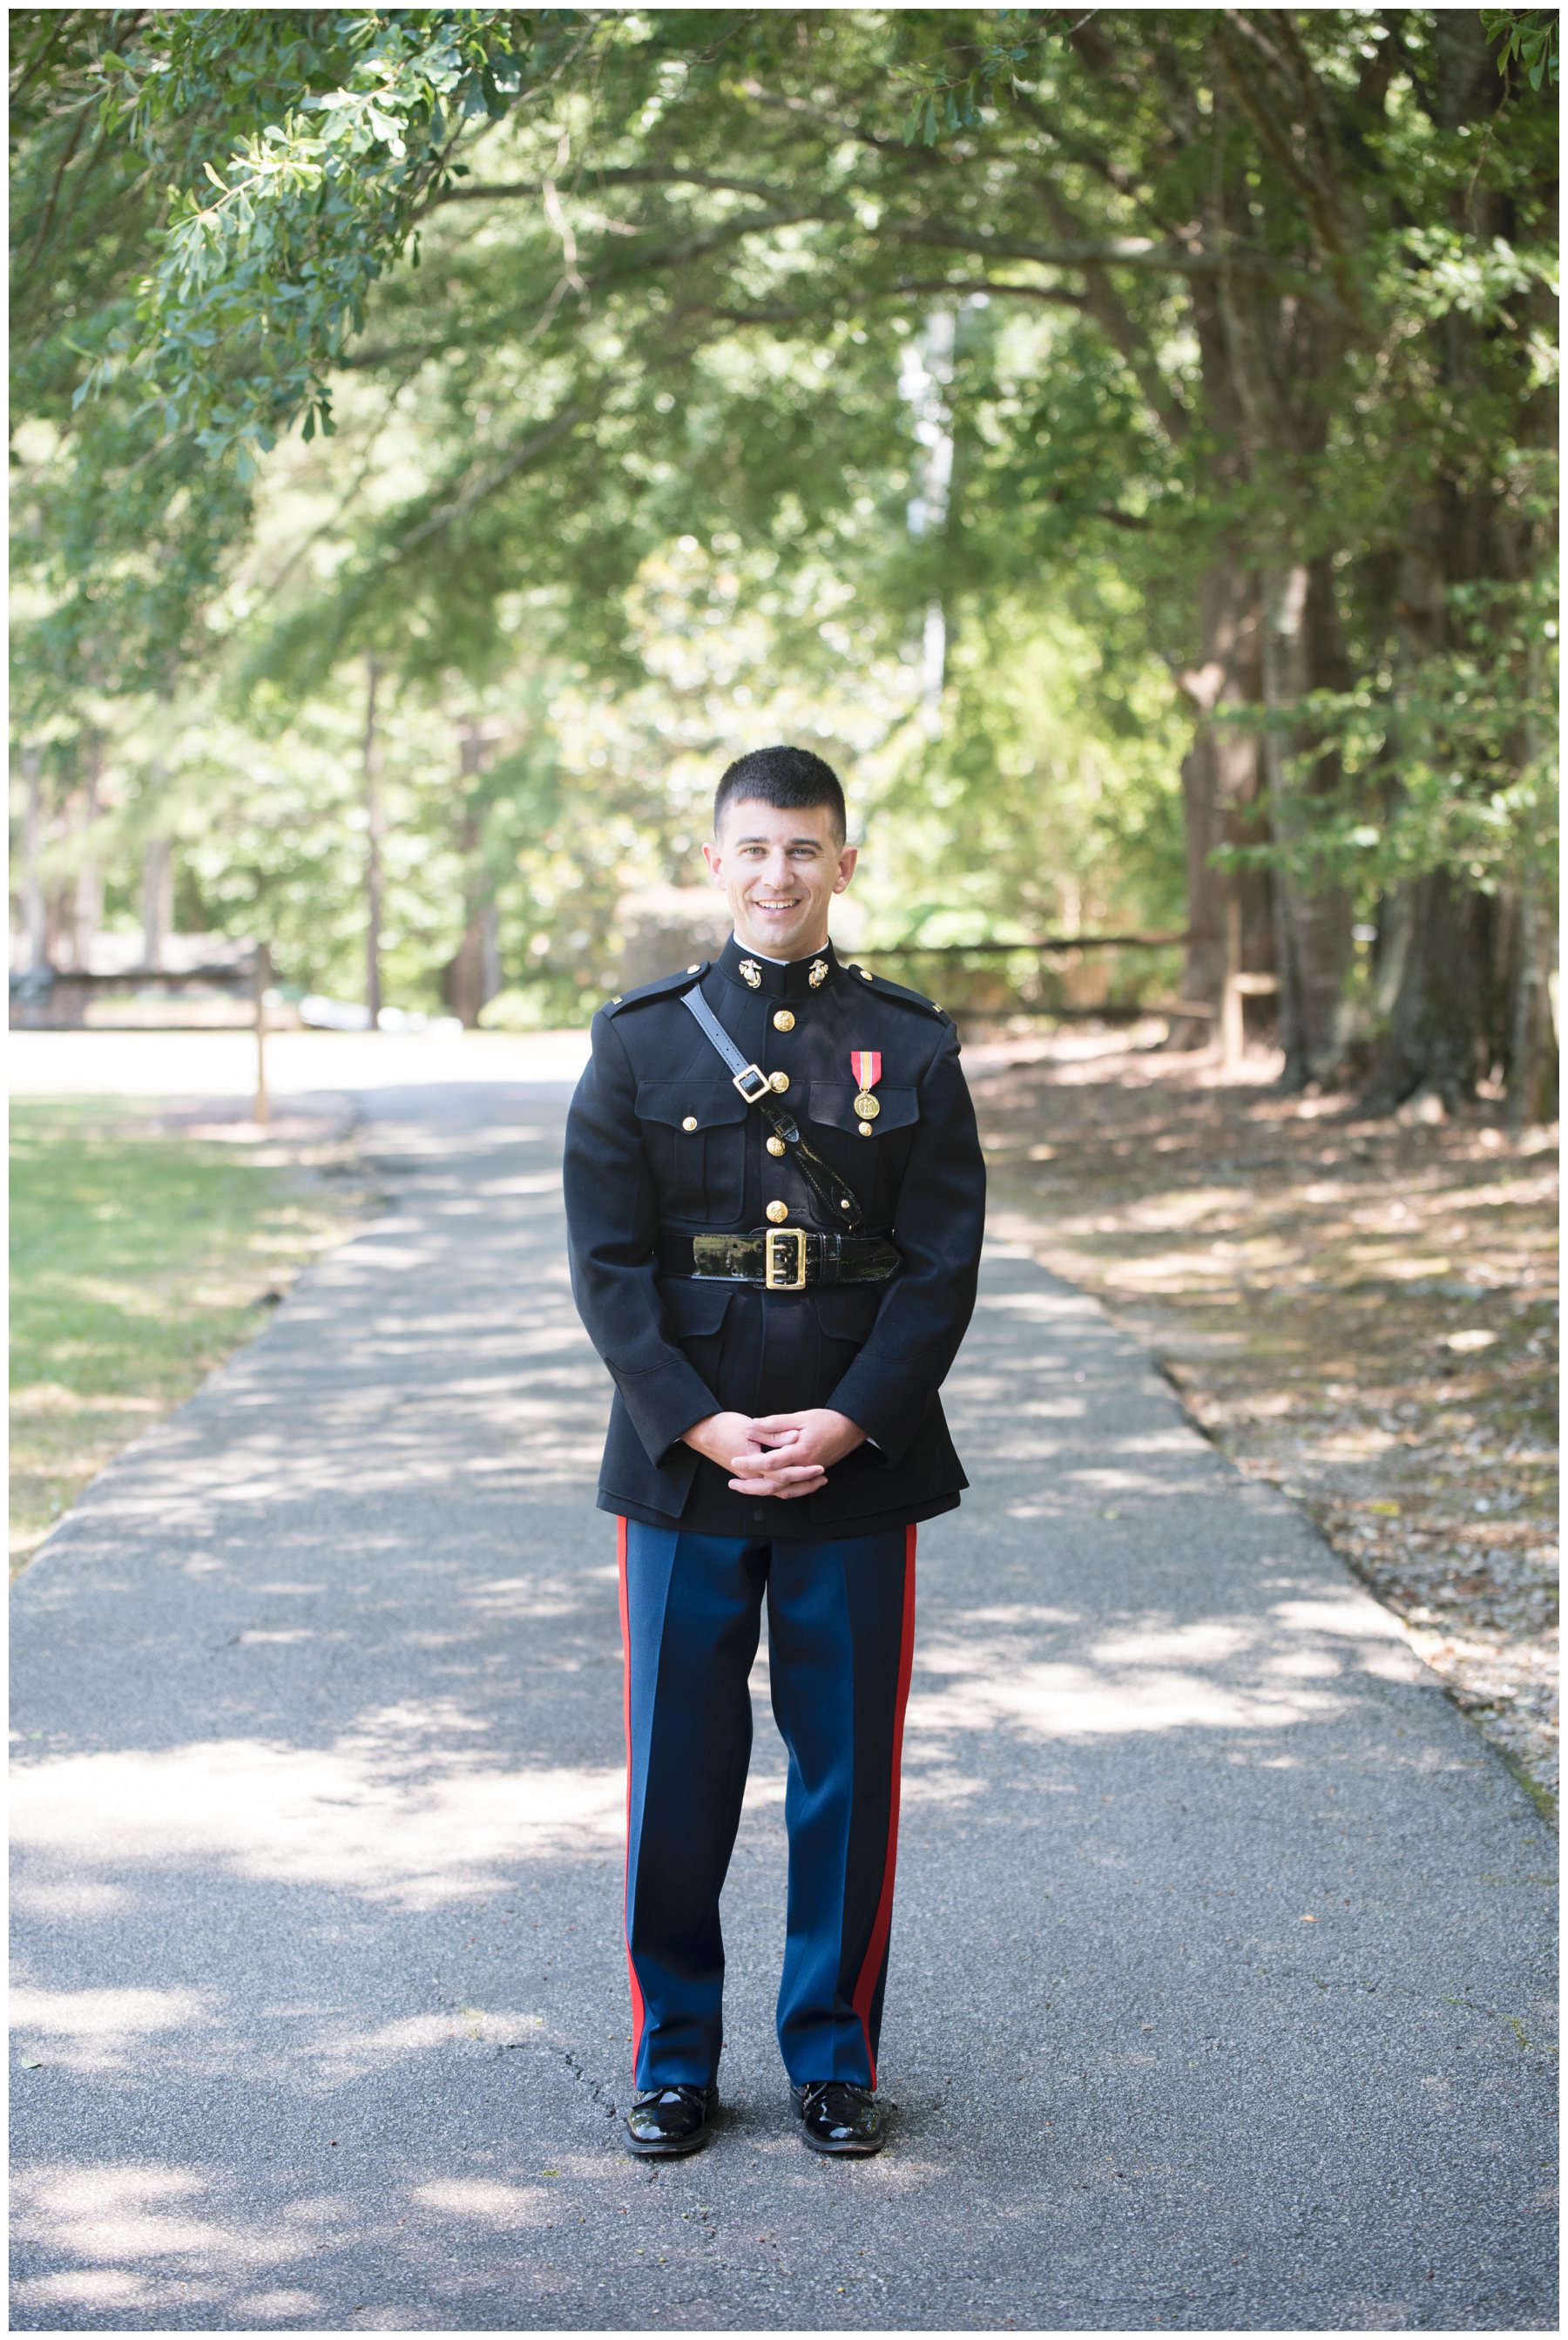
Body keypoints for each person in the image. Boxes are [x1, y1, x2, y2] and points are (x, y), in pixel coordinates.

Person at [562, 744, 985, 2159]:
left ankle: (832, 2055)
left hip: (858, 1461)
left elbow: (939, 1266)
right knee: (678, 1767)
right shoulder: (640, 1042)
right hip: (687, 1463)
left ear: (843, 863)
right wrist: (693, 1417)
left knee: (846, 1772)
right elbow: (609, 1264)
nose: (778, 874)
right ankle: (674, 2055)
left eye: (804, 849)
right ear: (713, 860)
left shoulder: (913, 1044)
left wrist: (853, 1417)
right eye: (753, 848)